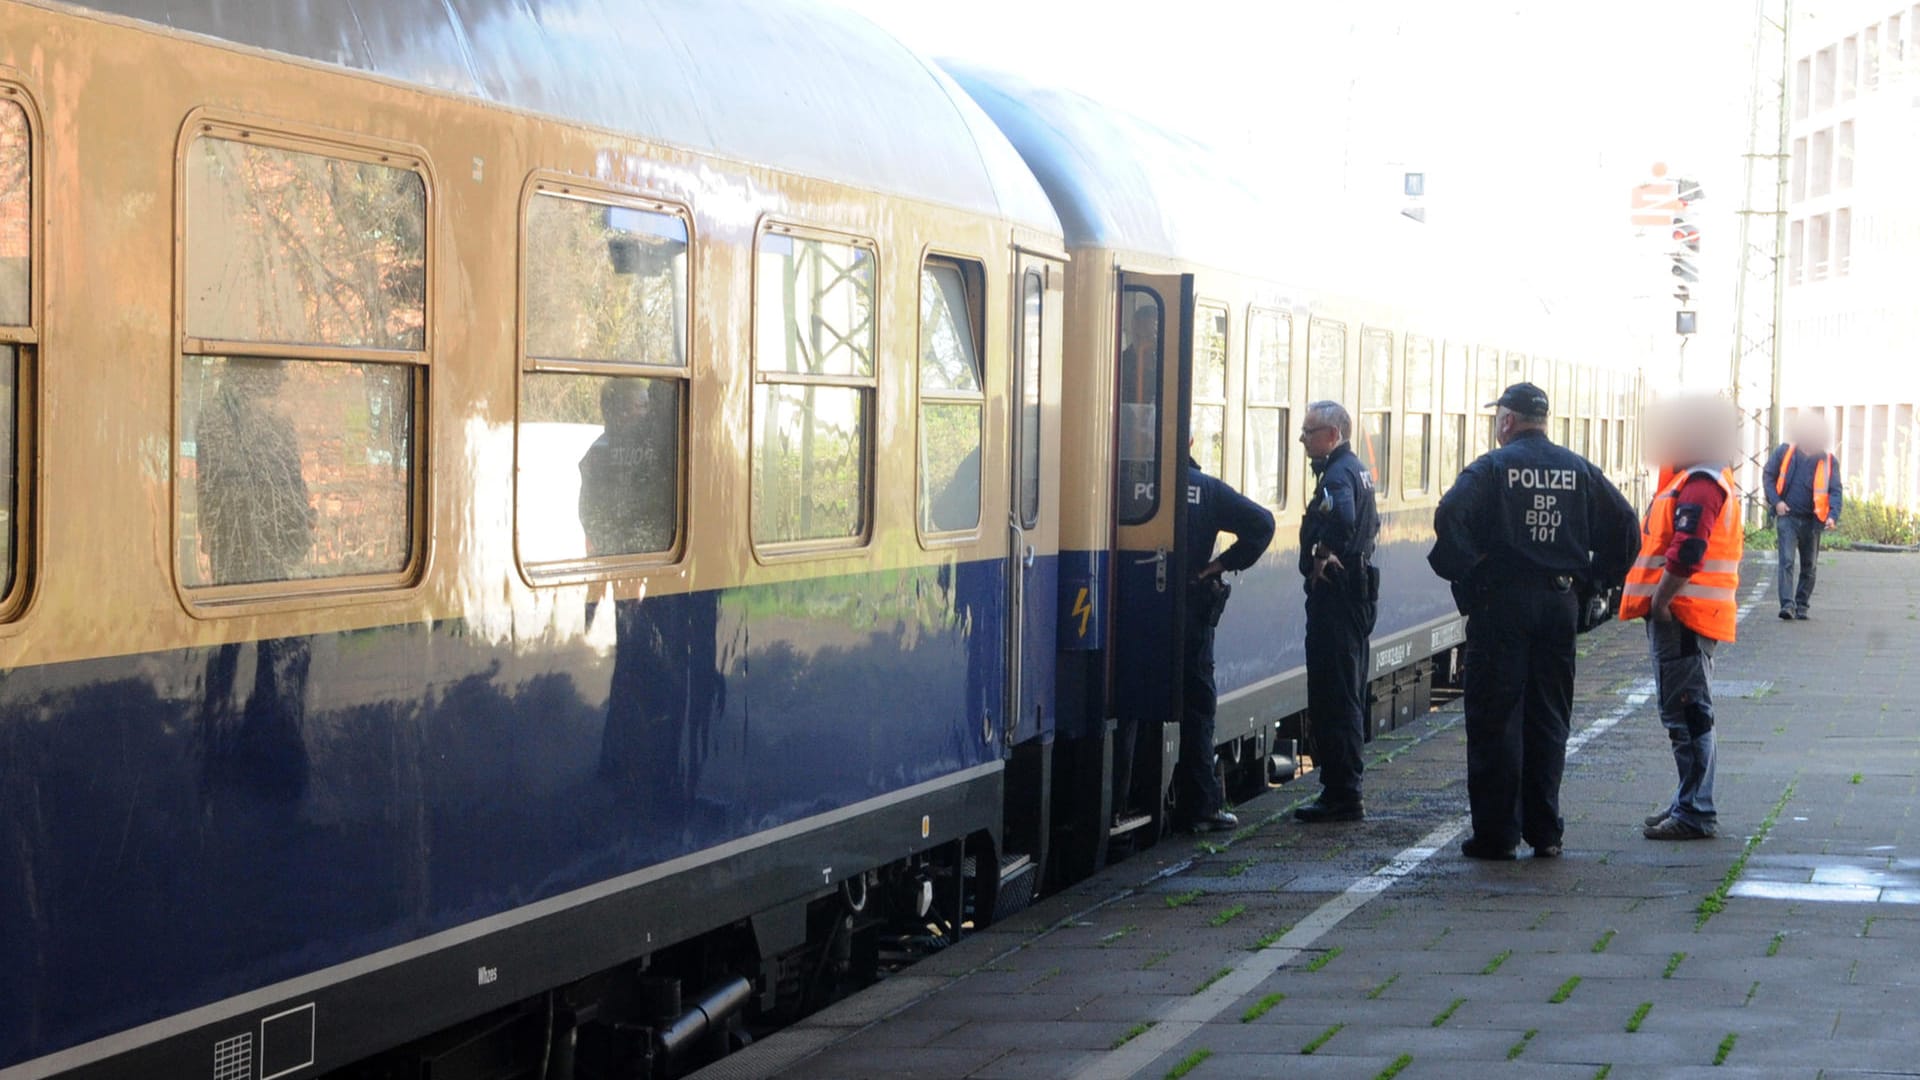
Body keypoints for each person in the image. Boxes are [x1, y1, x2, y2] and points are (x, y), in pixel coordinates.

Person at [1428, 383, 1637, 859]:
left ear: (1506, 421)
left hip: (1502, 607)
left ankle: (1497, 835)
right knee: (1549, 718)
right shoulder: (1577, 469)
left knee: (1495, 718)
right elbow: (1626, 526)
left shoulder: (1492, 467)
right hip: (1559, 602)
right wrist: (1593, 583)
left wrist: (1475, 575)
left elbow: (1449, 517)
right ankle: (1546, 831)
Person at [1621, 395, 1745, 841]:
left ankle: (1695, 810)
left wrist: (1659, 600)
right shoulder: (1695, 479)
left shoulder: (1700, 484)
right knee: (1685, 712)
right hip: (1687, 615)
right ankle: (1687, 801)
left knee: (1689, 715)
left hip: (1683, 616)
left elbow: (1688, 550)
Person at [1176, 448, 1275, 832]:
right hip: (1191, 610)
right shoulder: (1207, 489)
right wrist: (1217, 566)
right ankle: (1200, 806)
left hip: (1137, 614)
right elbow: (1262, 524)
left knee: (1135, 711)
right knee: (1198, 707)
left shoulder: (1138, 487)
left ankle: (1119, 805)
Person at [1294, 402, 1381, 824]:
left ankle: (1343, 793)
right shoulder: (1357, 469)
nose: (1303, 440)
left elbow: (1344, 517)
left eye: (1310, 432)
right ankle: (1341, 789)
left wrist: (1322, 554)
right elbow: (1371, 525)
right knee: (1345, 690)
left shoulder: (1339, 474)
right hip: (1355, 596)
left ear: (1332, 434)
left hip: (1338, 601)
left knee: (1335, 694)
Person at [1761, 412, 1843, 620]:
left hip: (1813, 522)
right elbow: (1768, 475)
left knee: (1810, 566)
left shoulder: (1829, 462)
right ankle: (1787, 605)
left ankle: (1802, 605)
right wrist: (1776, 502)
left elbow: (1835, 490)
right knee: (1786, 561)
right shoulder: (1784, 452)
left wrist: (1832, 515)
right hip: (1788, 517)